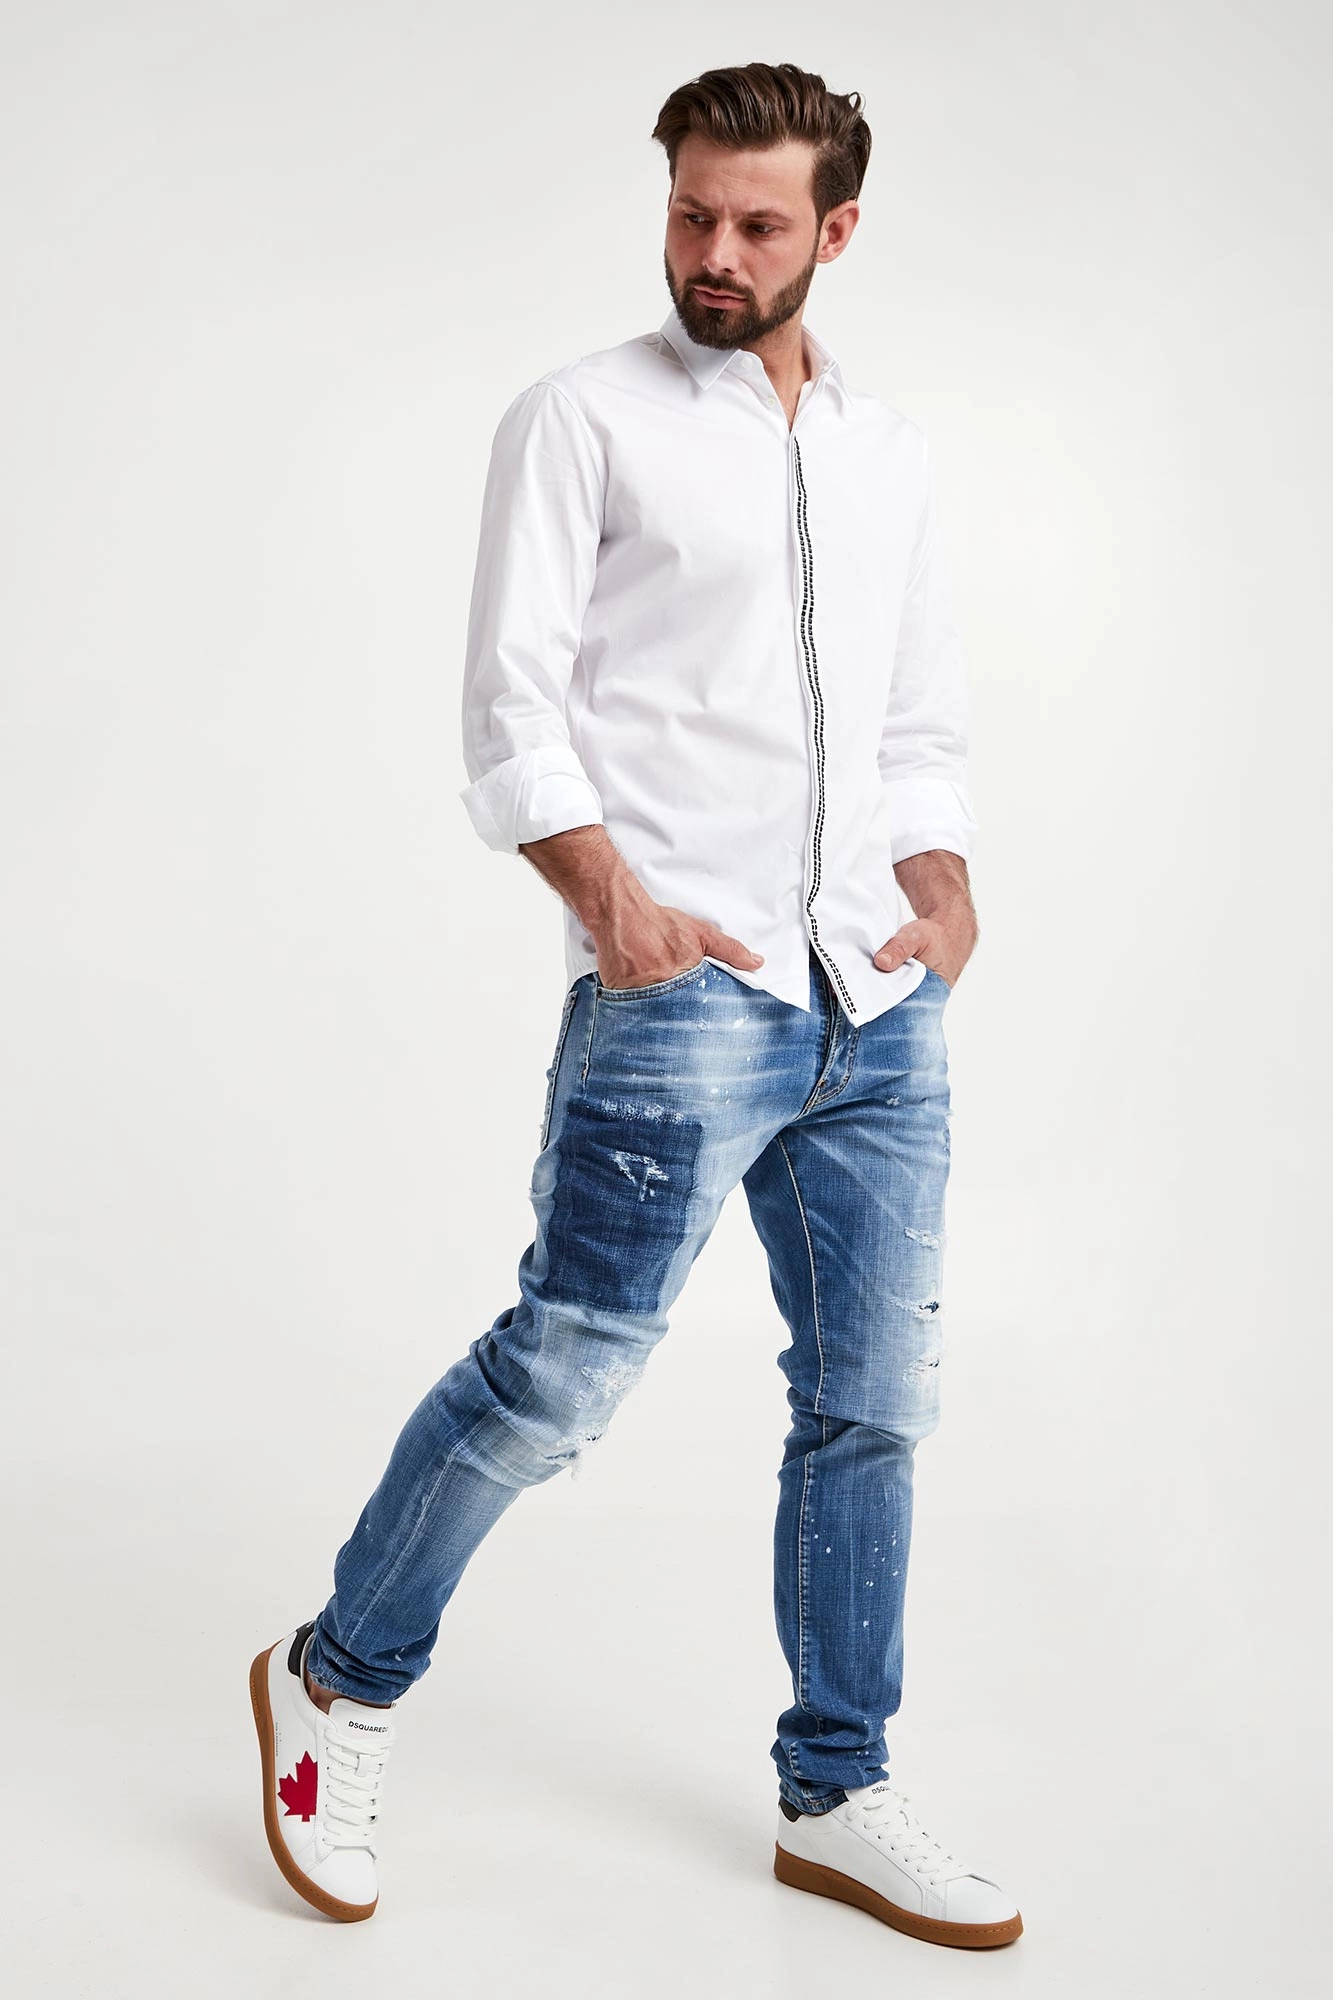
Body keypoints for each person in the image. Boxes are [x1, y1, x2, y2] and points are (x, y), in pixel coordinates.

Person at [249, 59, 1022, 1950]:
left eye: (757, 223)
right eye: (690, 213)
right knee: (564, 1373)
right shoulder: (581, 419)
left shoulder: (891, 452)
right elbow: (509, 707)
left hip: (877, 1007)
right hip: (685, 997)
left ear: (837, 230)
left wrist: (942, 881)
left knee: (875, 1406)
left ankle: (837, 1789)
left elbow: (918, 724)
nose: (713, 254)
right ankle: (334, 1683)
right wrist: (615, 907)